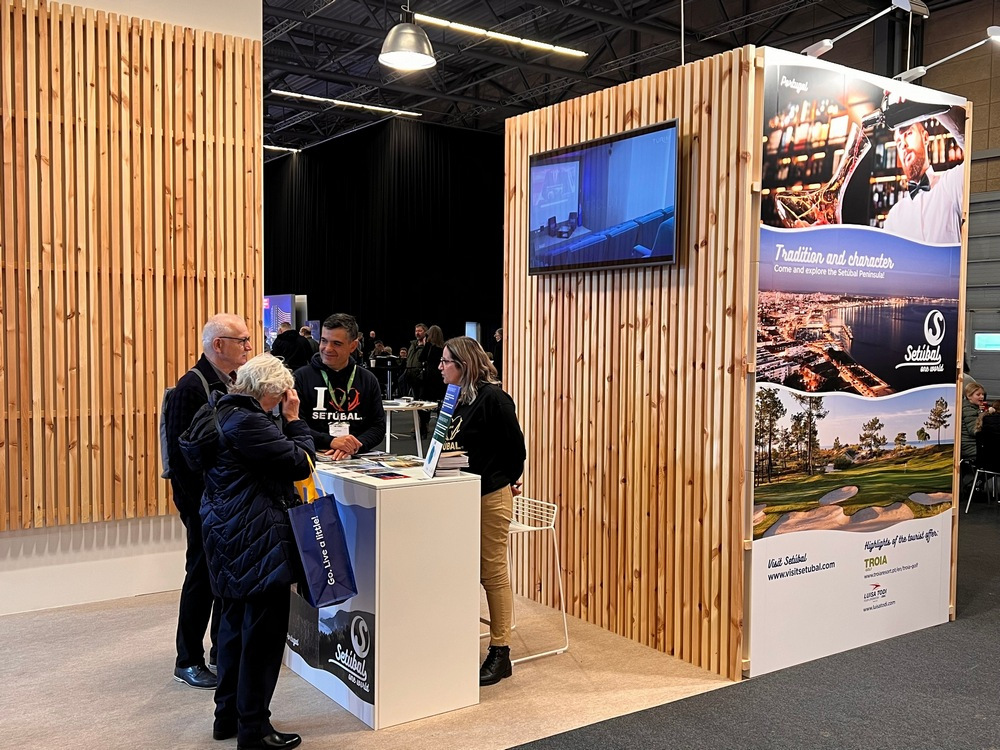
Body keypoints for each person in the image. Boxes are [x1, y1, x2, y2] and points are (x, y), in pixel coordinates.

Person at [180, 353, 313, 750]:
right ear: (267, 391)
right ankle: (254, 729)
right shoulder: (250, 422)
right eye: (280, 394)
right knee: (262, 639)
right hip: (258, 540)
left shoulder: (215, 412)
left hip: (225, 533)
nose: (282, 401)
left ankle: (227, 717)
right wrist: (294, 421)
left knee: (233, 629)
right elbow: (300, 462)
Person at [165, 313, 252, 689]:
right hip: (204, 504)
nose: (249, 347)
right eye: (242, 340)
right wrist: (198, 508)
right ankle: (187, 660)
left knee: (224, 578)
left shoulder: (232, 382)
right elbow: (181, 458)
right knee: (201, 578)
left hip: (224, 502)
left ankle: (221, 649)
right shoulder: (191, 387)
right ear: (219, 345)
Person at [438, 336, 526, 686]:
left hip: (489, 494)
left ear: (464, 365)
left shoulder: (494, 398)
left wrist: (506, 479)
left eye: (446, 361)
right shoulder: (455, 398)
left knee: (492, 572)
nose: (440, 367)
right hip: (459, 495)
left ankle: (500, 650)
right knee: (464, 569)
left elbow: (515, 450)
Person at [293, 313, 386, 459]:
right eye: (324, 341)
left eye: (336, 343)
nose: (327, 348)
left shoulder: (368, 380)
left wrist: (354, 445)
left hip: (355, 458)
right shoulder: (300, 378)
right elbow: (293, 424)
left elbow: (378, 426)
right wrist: (331, 441)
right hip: (312, 458)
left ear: (353, 346)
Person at [882, 105, 966, 245]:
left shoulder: (951, 184)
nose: (903, 145)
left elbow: (971, 142)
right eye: (898, 142)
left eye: (908, 134)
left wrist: (926, 104)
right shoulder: (894, 217)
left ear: (925, 137)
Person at [418, 325, 446, 438]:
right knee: (441, 403)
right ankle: (442, 430)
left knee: (425, 404)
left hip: (429, 378)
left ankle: (423, 429)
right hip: (441, 378)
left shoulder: (429, 346)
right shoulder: (444, 347)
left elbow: (421, 358)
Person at [962, 381, 986, 499]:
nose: (982, 397)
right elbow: (974, 430)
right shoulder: (968, 409)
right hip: (970, 447)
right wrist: (984, 415)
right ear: (969, 396)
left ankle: (975, 484)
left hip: (973, 445)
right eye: (978, 394)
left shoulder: (972, 408)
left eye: (983, 394)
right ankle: (974, 484)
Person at [400, 323, 428, 397]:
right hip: (409, 373)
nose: (417, 333)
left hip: (419, 375)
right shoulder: (412, 344)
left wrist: (425, 345)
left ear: (425, 332)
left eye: (420, 331)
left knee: (419, 396)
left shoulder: (427, 346)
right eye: (416, 331)